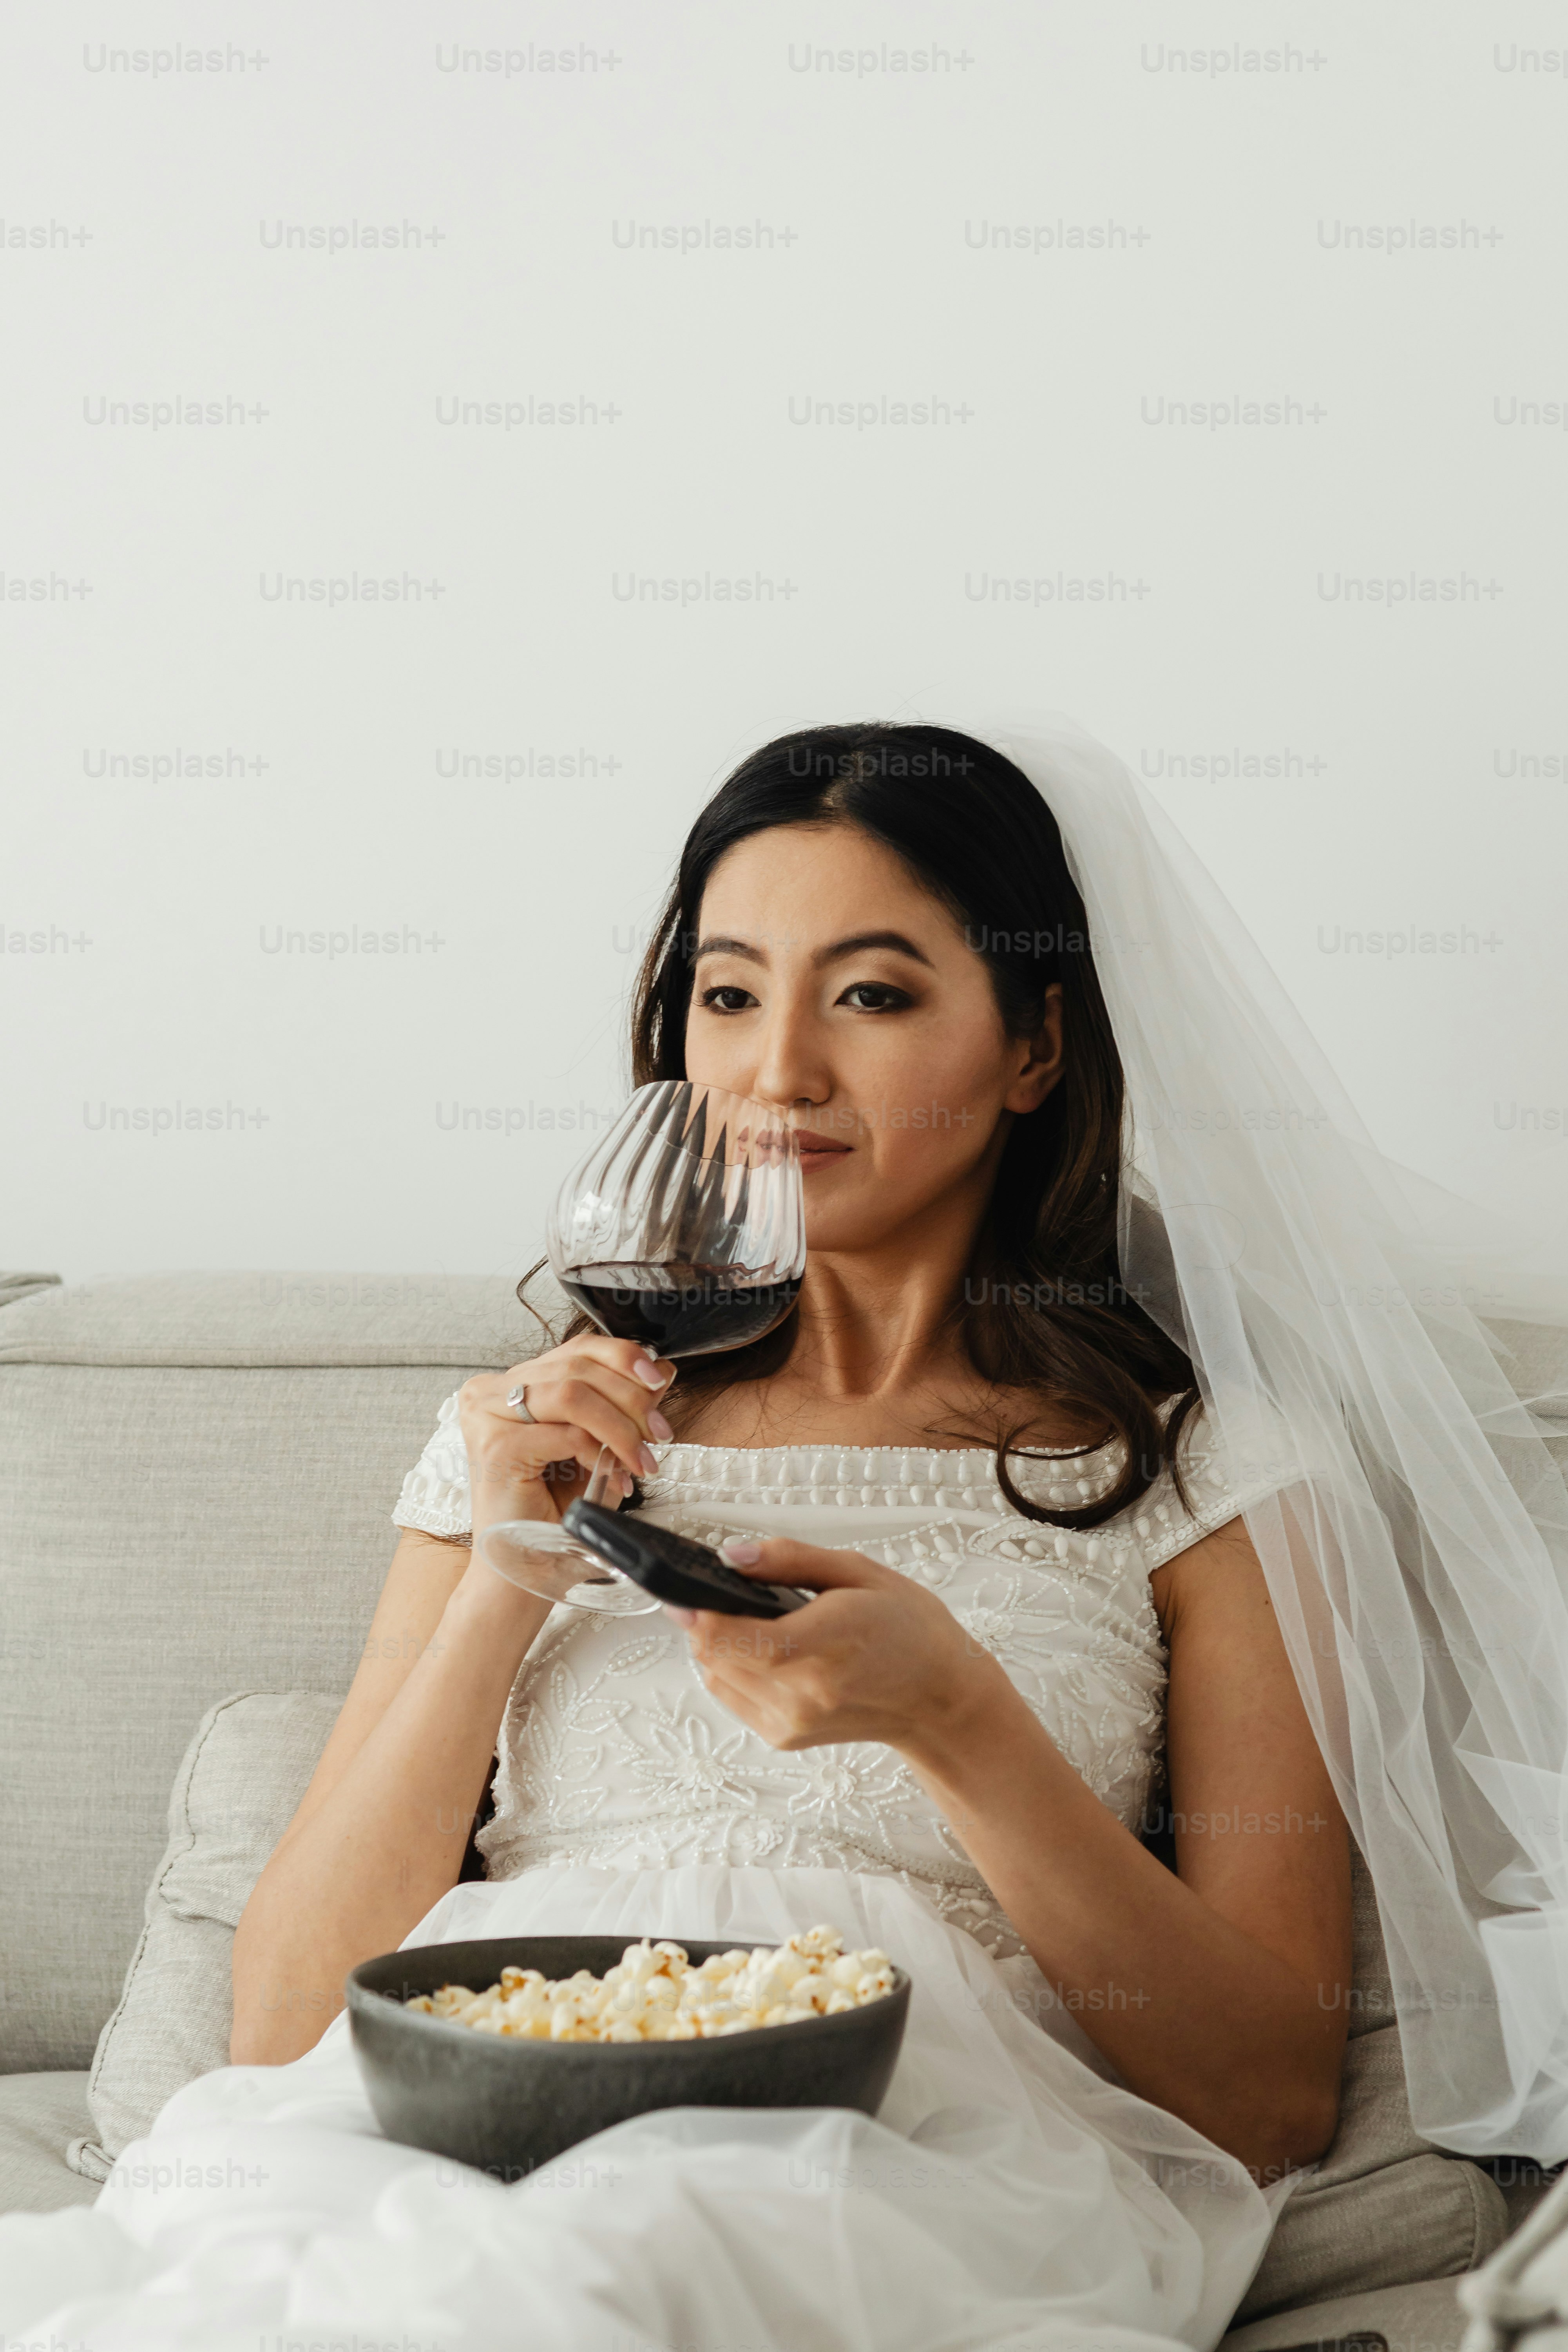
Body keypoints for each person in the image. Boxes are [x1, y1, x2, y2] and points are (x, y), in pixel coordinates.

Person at [6, 719, 1566, 2352]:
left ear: (1034, 1048)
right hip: (470, 2107)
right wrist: (498, 1579)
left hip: (907, 2148)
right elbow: (276, 2026)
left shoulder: (1203, 1471)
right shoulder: (534, 1438)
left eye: (872, 994)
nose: (775, 1074)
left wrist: (953, 1718)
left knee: (618, 2269)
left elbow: (1261, 2092)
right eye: (730, 993)